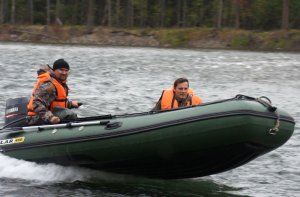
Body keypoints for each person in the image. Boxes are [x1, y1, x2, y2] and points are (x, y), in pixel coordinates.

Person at [27, 59, 79, 125]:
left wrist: (71, 104)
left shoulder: (60, 83)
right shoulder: (49, 85)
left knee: (70, 115)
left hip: (47, 116)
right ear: (54, 71)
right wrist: (51, 117)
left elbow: (55, 102)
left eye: (66, 70)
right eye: (61, 70)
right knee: (69, 114)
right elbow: (37, 103)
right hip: (35, 119)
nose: (64, 73)